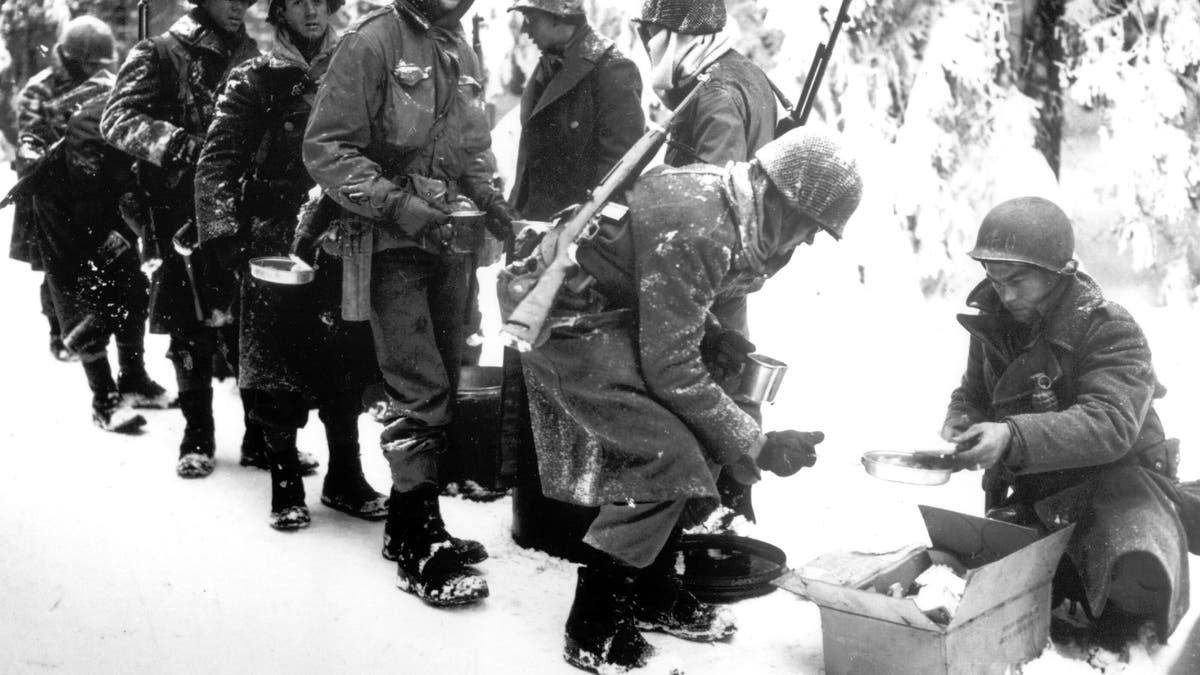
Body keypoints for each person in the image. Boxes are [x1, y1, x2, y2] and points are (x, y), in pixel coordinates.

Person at [505, 127, 862, 673]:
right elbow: (671, 369)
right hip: (566, 321)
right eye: (810, 226)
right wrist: (759, 445)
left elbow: (658, 286)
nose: (809, 241)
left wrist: (716, 335)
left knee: (697, 434)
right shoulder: (706, 225)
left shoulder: (727, 201)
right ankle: (593, 625)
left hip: (611, 310)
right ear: (779, 196)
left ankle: (651, 591)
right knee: (663, 454)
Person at [302, 0, 517, 607]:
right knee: (418, 385)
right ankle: (422, 539)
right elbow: (327, 150)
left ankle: (406, 520)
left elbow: (472, 147)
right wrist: (400, 206)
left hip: (451, 240)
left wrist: (490, 198)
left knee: (445, 375)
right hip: (388, 240)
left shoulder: (459, 47)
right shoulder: (371, 42)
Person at [942, 196, 1190, 644]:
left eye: (1018, 280)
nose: (1006, 295)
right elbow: (973, 394)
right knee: (978, 585)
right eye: (995, 281)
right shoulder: (995, 324)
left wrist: (1012, 436)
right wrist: (963, 419)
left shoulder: (1108, 327)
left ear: (1061, 272)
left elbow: (1110, 423)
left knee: (1131, 588)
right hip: (1040, 492)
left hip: (1118, 488)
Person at [195, 0, 387, 531]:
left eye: (319, 2)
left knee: (344, 355)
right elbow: (216, 162)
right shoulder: (252, 81)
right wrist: (222, 235)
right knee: (274, 359)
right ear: (279, 13)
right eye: (297, 2)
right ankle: (284, 481)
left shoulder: (353, 70)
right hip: (273, 241)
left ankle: (346, 476)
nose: (310, 13)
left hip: (340, 235)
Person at [632, 0, 780, 524]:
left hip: (708, 269)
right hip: (730, 266)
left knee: (700, 381)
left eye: (651, 31)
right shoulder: (744, 72)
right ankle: (732, 498)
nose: (647, 41)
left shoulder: (714, 91)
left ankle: (712, 506)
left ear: (677, 34)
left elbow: (713, 198)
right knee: (729, 381)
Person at [101, 0, 262, 479]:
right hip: (180, 213)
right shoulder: (160, 53)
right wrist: (181, 146)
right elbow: (117, 120)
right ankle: (197, 435)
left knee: (251, 324)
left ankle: (261, 436)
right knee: (191, 327)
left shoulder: (262, 52)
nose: (239, 6)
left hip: (248, 209)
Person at [18, 15, 172, 432]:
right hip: (59, 205)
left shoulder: (113, 85)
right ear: (67, 56)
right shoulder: (40, 89)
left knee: (129, 288)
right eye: (84, 63)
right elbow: (29, 149)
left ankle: (134, 379)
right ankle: (103, 399)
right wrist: (58, 150)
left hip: (104, 198)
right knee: (78, 296)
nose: (92, 71)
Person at [508, 0, 644, 220]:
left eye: (531, 19)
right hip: (536, 222)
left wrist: (582, 226)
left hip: (579, 230)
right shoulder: (549, 61)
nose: (525, 29)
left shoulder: (613, 68)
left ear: (557, 17)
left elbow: (620, 168)